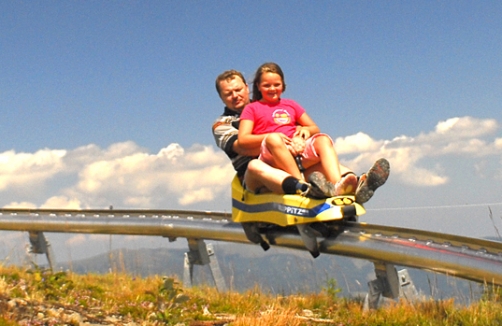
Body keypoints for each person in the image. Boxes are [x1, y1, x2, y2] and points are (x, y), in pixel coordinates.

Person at [212, 68, 389, 203]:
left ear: (246, 87)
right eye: (228, 93)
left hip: (289, 164)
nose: (235, 96)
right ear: (221, 97)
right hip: (259, 177)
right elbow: (243, 146)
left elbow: (299, 128)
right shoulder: (222, 125)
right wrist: (277, 139)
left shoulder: (266, 107)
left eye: (238, 90)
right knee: (255, 165)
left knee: (322, 158)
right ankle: (303, 188)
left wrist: (299, 138)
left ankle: (353, 183)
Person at [238, 62, 360, 197]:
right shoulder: (252, 108)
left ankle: (337, 186)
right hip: (272, 156)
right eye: (267, 85)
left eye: (276, 85)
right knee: (273, 139)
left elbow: (314, 128)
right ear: (258, 86)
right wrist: (271, 135)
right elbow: (243, 139)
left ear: (283, 85)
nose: (272, 88)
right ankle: (302, 185)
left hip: (297, 152)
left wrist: (306, 132)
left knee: (323, 140)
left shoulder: (291, 104)